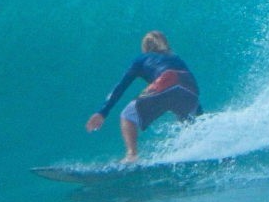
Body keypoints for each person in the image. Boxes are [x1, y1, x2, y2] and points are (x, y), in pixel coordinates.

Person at [86, 30, 202, 162]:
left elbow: (121, 86)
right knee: (187, 120)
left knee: (127, 115)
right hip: (191, 86)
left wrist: (102, 112)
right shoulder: (176, 58)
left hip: (168, 79)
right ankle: (199, 147)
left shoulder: (141, 59)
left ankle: (131, 155)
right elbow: (186, 85)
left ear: (145, 47)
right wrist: (200, 115)